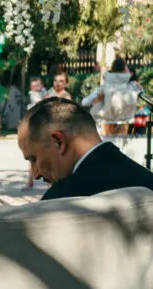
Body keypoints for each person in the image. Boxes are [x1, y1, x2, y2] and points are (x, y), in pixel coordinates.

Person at [18, 97, 153, 199]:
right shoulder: (147, 181)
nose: (35, 174)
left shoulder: (61, 200)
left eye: (33, 159)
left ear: (58, 142)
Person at [82, 56, 141, 136]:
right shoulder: (105, 88)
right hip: (106, 127)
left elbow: (85, 102)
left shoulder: (132, 86)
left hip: (123, 127)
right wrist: (98, 99)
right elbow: (85, 102)